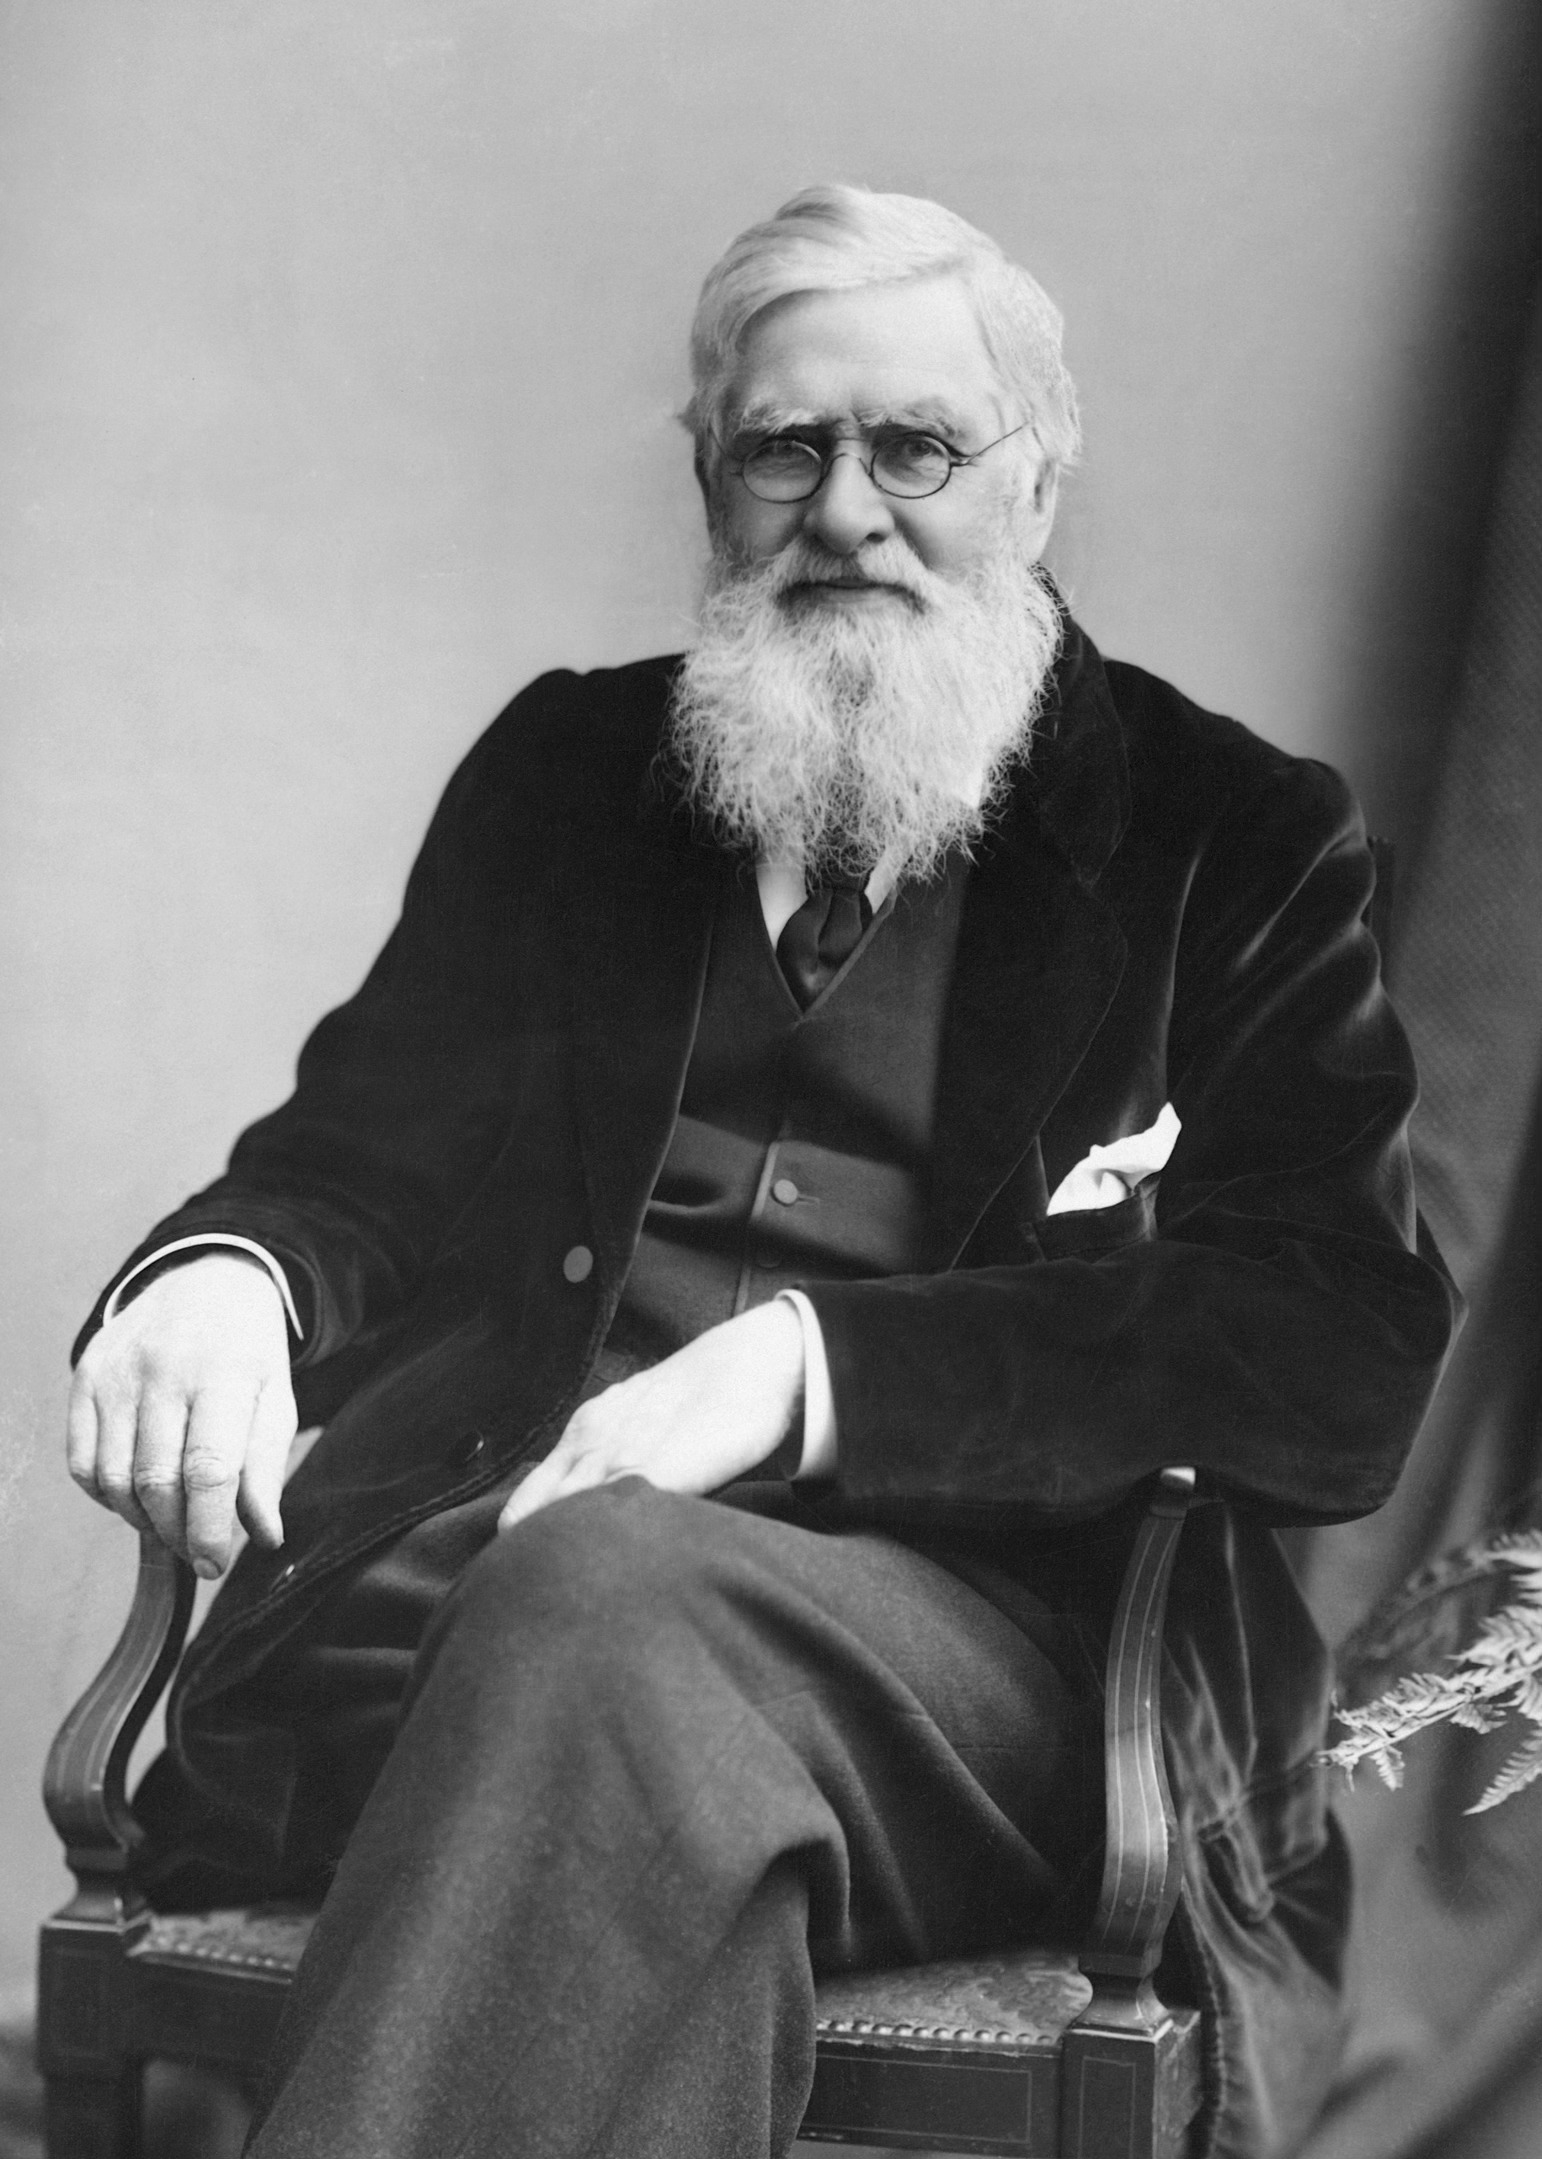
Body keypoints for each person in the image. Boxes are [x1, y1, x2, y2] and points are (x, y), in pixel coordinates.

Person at [64, 185, 1458, 2159]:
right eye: (784, 448)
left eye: (919, 449)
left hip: (985, 1689)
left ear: (1040, 479)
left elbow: (1330, 1342)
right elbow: (354, 1162)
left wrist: (809, 1371)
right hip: (464, 1615)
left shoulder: (1226, 835)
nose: (847, 511)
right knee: (613, 1709)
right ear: (708, 480)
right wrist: (223, 1275)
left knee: (607, 1605)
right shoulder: (567, 780)